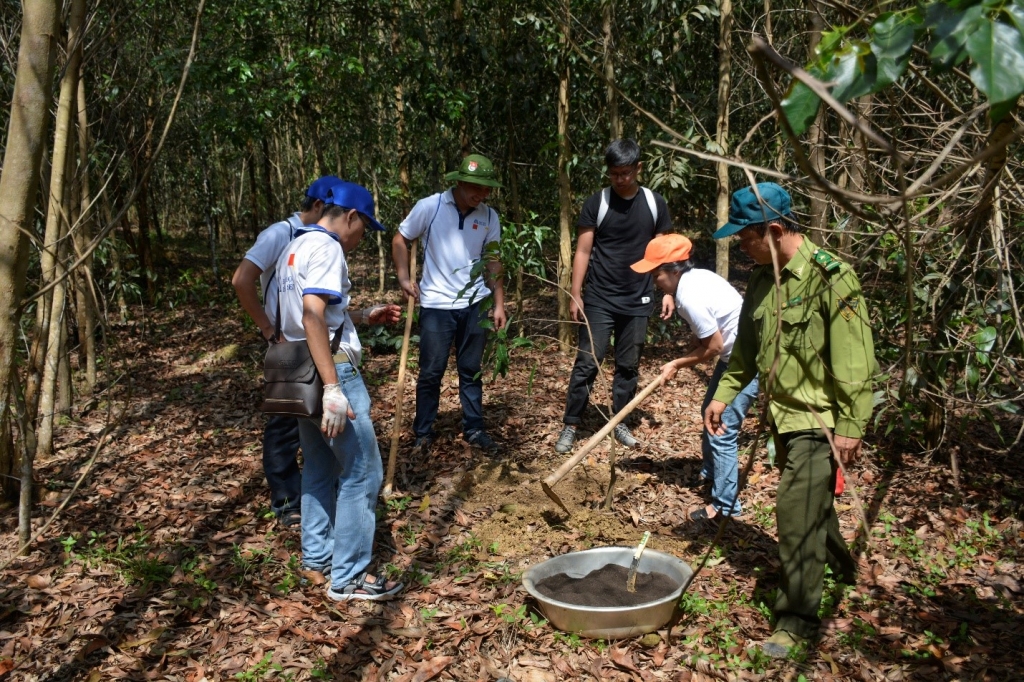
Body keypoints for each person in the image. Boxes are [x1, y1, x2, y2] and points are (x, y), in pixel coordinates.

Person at [704, 182, 874, 657]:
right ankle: (842, 563)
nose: (740, 245)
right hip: (781, 419)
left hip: (817, 423)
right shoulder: (761, 278)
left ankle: (796, 619)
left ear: (775, 230)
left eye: (745, 236)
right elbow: (747, 354)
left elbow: (855, 360)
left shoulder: (832, 278)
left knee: (793, 513)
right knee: (808, 505)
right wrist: (723, 395)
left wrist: (851, 425)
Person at [274, 180, 404, 601]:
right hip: (330, 375)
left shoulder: (295, 246)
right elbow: (313, 313)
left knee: (319, 467)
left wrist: (363, 316)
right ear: (350, 217)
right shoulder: (329, 247)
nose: (360, 239)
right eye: (363, 228)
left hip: (297, 373)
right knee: (363, 472)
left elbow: (311, 313)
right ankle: (348, 577)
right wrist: (333, 387)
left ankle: (318, 559)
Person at [232, 175, 340, 526]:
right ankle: (287, 501)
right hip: (289, 344)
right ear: (320, 207)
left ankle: (318, 495)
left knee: (314, 420)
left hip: (315, 341)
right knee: (285, 422)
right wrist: (267, 329)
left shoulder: (314, 239)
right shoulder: (281, 234)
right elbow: (242, 279)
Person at [555, 139, 674, 454]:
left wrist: (667, 292)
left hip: (638, 298)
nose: (621, 179)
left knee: (628, 364)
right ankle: (571, 424)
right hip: (600, 297)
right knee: (586, 362)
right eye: (614, 174)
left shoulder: (654, 203)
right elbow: (583, 250)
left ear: (638, 168)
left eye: (626, 173)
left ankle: (619, 420)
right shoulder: (598, 203)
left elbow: (661, 253)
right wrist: (576, 293)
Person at [630, 234, 759, 521]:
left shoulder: (688, 297)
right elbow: (709, 332)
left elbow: (713, 347)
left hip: (745, 362)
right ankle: (712, 473)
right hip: (736, 357)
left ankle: (725, 507)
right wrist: (691, 347)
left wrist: (677, 363)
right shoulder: (697, 277)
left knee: (721, 428)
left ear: (675, 270)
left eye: (657, 274)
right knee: (708, 412)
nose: (654, 281)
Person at [392, 154, 507, 454]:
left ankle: (474, 428)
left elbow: (493, 260)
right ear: (459, 181)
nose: (482, 194)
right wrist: (404, 278)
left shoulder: (489, 216)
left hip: (475, 303)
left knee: (471, 369)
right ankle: (423, 432)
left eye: (486, 188)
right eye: (476, 187)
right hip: (437, 304)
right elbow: (400, 239)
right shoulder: (430, 206)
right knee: (431, 371)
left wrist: (498, 303)